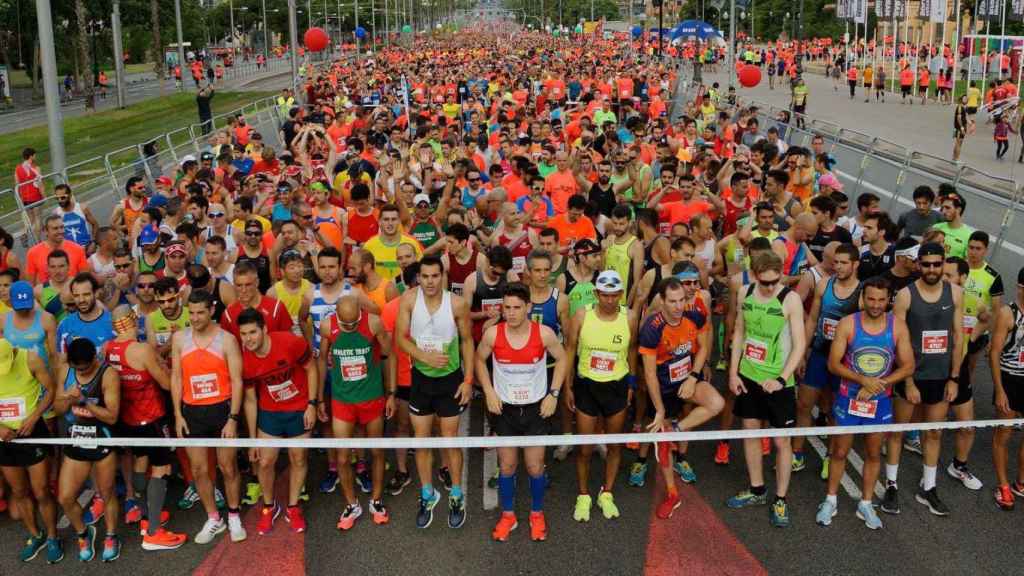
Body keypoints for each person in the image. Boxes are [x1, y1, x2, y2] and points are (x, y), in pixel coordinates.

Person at [817, 276, 915, 529]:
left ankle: (866, 503)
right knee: (839, 451)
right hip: (848, 397)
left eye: (881, 300)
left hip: (880, 401)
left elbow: (908, 365)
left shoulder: (898, 326)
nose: (875, 304)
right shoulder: (848, 324)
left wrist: (877, 385)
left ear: (889, 300)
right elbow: (833, 363)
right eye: (871, 298)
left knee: (873, 453)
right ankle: (830, 499)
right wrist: (862, 379)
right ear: (863, 298)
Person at [476, 282, 568, 542]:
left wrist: (554, 394)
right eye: (507, 308)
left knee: (535, 466)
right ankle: (508, 516)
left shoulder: (545, 333)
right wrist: (489, 391)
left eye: (517, 307)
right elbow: (478, 360)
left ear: (528, 307)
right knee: (507, 465)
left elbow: (562, 359)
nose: (512, 313)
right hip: (504, 410)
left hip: (535, 409)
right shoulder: (493, 335)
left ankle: (536, 514)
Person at [883, 242, 964, 517]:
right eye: (926, 264)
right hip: (912, 376)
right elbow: (898, 340)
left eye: (936, 264)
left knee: (934, 432)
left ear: (943, 264)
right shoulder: (905, 295)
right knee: (898, 431)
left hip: (940, 377)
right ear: (918, 265)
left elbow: (958, 338)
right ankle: (891, 484)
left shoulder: (955, 293)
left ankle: (928, 487)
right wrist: (907, 381)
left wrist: (954, 378)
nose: (931, 269)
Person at [726, 251, 806, 527]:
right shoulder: (745, 292)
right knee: (750, 432)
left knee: (781, 442)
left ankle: (781, 499)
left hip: (778, 383)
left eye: (775, 281)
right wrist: (734, 371)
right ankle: (757, 489)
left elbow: (799, 344)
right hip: (749, 376)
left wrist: (783, 379)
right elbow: (739, 332)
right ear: (755, 275)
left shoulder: (790, 299)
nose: (770, 287)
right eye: (765, 282)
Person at [395, 255, 474, 529]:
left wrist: (468, 380)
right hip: (421, 381)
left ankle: (455, 494)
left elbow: (467, 342)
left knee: (449, 438)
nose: (429, 281)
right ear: (419, 277)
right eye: (424, 276)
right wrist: (423, 357)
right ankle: (428, 493)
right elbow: (399, 339)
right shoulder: (408, 300)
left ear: (443, 277)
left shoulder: (457, 304)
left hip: (449, 381)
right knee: (422, 440)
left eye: (434, 276)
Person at [637, 271, 724, 519]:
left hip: (687, 380)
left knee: (716, 402)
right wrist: (660, 409)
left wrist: (693, 375)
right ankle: (672, 492)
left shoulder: (694, 314)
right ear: (662, 301)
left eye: (681, 300)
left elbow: (704, 346)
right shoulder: (652, 329)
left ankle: (676, 430)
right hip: (662, 387)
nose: (678, 306)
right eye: (672, 301)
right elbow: (650, 374)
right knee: (663, 443)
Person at [103, 306, 186, 551]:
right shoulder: (141, 349)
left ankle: (146, 515)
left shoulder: (108, 348)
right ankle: (153, 533)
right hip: (152, 418)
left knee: (141, 461)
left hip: (127, 419)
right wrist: (175, 368)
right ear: (132, 322)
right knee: (162, 467)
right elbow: (166, 383)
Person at [170, 289, 246, 544]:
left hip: (222, 409)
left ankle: (234, 514)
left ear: (212, 311)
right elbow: (176, 378)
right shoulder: (180, 339)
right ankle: (214, 518)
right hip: (192, 412)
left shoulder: (227, 340)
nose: (195, 318)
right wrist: (178, 415)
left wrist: (233, 418)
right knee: (200, 469)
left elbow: (237, 380)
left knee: (227, 466)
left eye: (201, 312)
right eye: (191, 313)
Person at [564, 270, 638, 522]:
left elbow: (632, 351)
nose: (609, 300)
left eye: (614, 295)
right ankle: (583, 495)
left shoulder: (630, 317)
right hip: (587, 386)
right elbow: (570, 350)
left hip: (616, 386)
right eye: (604, 295)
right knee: (584, 447)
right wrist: (567, 386)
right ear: (596, 293)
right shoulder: (582, 315)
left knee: (614, 445)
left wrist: (631, 384)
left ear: (620, 294)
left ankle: (606, 493)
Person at [239, 309, 319, 535]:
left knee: (298, 458)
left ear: (264, 329)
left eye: (253, 332)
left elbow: (312, 369)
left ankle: (293, 507)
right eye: (243, 334)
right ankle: (268, 505)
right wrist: (253, 439)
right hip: (270, 412)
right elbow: (250, 400)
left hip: (299, 408)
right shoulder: (246, 360)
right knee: (265, 461)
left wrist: (312, 404)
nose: (248, 339)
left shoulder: (290, 342)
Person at [318, 296, 394, 530]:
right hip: (342, 400)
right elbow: (321, 360)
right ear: (337, 315)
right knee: (342, 456)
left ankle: (376, 500)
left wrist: (391, 392)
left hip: (371, 397)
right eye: (345, 324)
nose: (349, 328)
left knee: (377, 451)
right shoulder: (327, 325)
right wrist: (319, 398)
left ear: (360, 313)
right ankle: (352, 504)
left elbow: (390, 355)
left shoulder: (374, 323)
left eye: (353, 324)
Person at [793, 243, 860, 473]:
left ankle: (830, 456)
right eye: (836, 262)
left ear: (855, 265)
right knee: (803, 404)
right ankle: (797, 454)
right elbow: (812, 320)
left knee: (834, 410)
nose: (838, 267)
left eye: (844, 263)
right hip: (820, 355)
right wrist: (803, 353)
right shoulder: (824, 285)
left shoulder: (862, 293)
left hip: (843, 362)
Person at [54, 338, 122, 562]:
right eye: (77, 368)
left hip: (102, 439)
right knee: (65, 497)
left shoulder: (108, 374)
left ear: (95, 358)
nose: (81, 371)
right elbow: (57, 408)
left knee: (107, 492)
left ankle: (111, 535)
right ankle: (84, 533)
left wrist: (83, 401)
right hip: (77, 439)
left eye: (85, 367)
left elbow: (112, 416)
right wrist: (67, 399)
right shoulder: (66, 370)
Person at [0, 338, 61, 563]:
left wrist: (34, 417)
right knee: (19, 492)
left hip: (33, 433)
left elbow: (51, 389)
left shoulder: (30, 358)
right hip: (4, 439)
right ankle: (36, 535)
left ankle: (53, 536)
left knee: (42, 490)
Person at [989, 266, 1024, 510]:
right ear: (1021, 288)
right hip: (1010, 378)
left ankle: (1021, 481)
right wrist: (999, 389)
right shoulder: (1007, 314)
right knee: (1005, 433)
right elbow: (994, 352)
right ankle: (1003, 485)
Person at [25, 215, 89, 285]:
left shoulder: (77, 249)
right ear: (45, 231)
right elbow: (30, 283)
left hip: (72, 292)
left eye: (62, 227)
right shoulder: (33, 253)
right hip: (48, 294)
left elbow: (85, 279)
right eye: (55, 228)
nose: (60, 231)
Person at [52, 184, 98, 251]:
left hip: (87, 248)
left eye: (63, 197)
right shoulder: (56, 213)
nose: (60, 200)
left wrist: (94, 243)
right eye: (57, 198)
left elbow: (95, 225)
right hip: (70, 251)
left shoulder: (82, 208)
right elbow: (54, 235)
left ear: (70, 195)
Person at [931, 191, 973, 260]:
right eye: (943, 208)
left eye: (947, 208)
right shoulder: (936, 227)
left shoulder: (969, 236)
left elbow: (967, 263)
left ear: (958, 210)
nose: (943, 211)